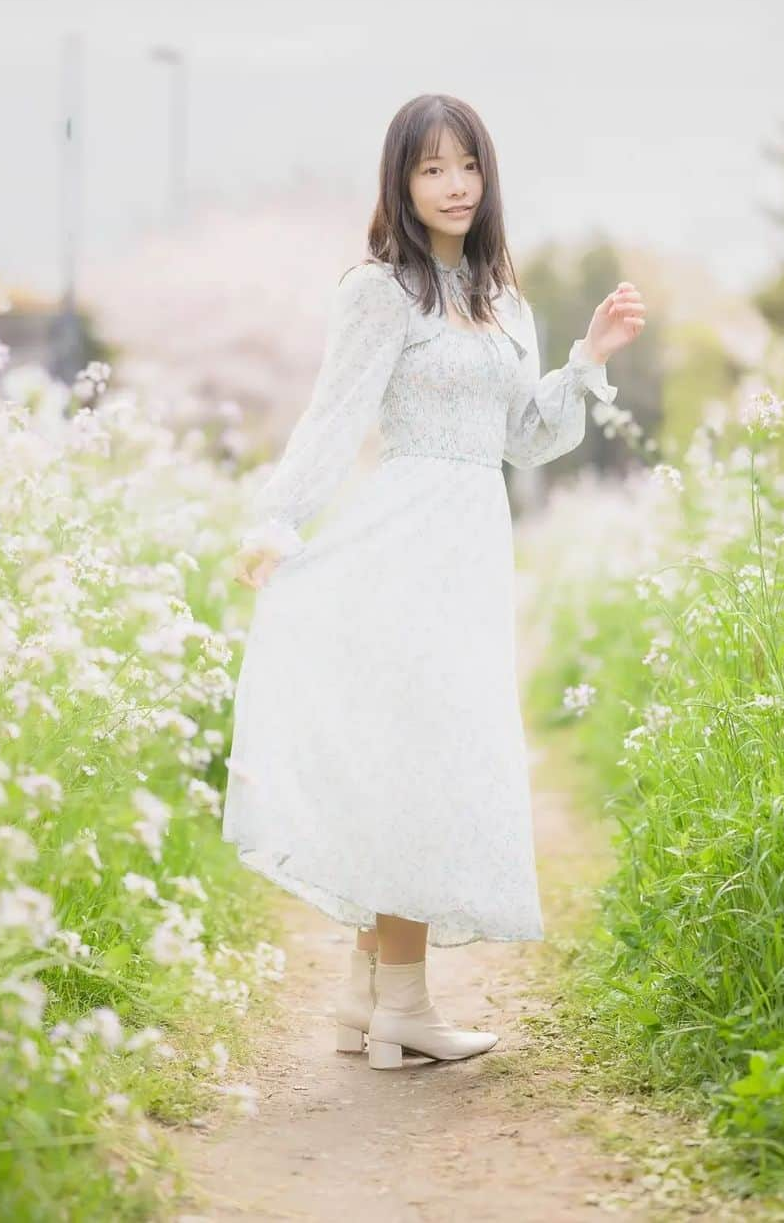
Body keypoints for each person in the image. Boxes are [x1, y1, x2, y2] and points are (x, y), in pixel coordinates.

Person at [226, 93, 646, 1070]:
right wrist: (279, 519)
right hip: (401, 540)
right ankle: (404, 1006)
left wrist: (588, 361)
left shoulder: (506, 302)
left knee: (435, 746)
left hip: (472, 545)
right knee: (412, 754)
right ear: (400, 183)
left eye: (468, 166)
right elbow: (334, 419)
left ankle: (366, 994)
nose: (455, 185)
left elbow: (525, 442)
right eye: (431, 168)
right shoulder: (381, 292)